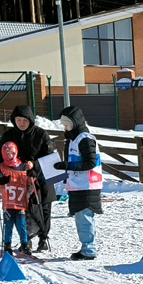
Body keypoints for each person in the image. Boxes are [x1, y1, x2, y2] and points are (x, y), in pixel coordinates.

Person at [0, 105, 56, 251]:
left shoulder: (41, 134)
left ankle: (43, 237)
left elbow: (50, 157)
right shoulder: (8, 135)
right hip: (19, 180)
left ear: (30, 120)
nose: (21, 123)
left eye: (24, 120)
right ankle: (26, 239)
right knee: (25, 210)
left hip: (41, 176)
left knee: (44, 207)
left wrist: (34, 165)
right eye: (18, 120)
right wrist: (1, 176)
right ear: (14, 120)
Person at [53, 106, 102, 260]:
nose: (65, 127)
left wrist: (68, 166)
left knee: (85, 217)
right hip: (78, 185)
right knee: (80, 218)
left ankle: (89, 250)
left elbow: (90, 163)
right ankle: (86, 247)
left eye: (67, 123)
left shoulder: (85, 139)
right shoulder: (73, 139)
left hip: (88, 185)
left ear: (76, 122)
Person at [0, 141, 34, 255]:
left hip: (20, 201)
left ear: (15, 153)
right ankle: (7, 245)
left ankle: (25, 244)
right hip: (8, 202)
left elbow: (30, 181)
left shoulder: (22, 165)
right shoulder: (1, 167)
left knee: (21, 223)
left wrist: (32, 174)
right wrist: (1, 180)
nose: (10, 156)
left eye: (12, 153)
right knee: (8, 224)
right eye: (7, 153)